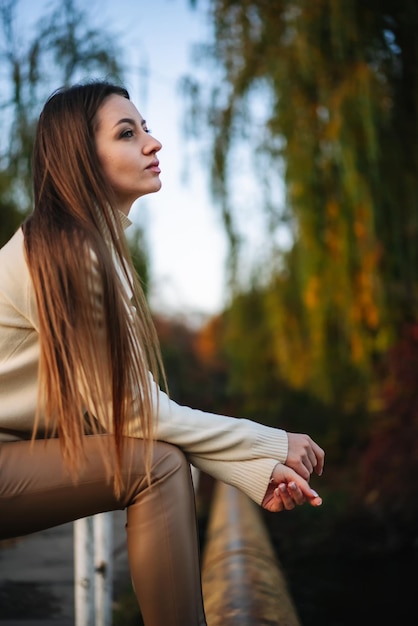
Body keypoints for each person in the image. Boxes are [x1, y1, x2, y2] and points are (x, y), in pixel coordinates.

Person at [0, 81, 324, 626]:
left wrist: (253, 470)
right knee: (155, 468)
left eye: (145, 128)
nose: (154, 143)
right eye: (128, 133)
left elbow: (137, 407)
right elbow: (134, 417)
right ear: (81, 157)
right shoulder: (65, 252)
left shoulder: (94, 249)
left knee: (159, 462)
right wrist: (272, 443)